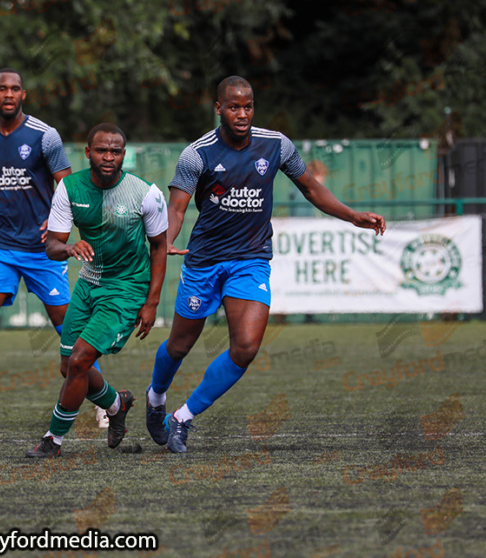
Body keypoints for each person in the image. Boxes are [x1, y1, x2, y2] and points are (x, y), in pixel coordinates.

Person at [146, 75, 386, 453]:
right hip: (204, 262)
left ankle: (182, 418)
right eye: (234, 107)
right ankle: (156, 398)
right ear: (218, 108)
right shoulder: (197, 153)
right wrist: (168, 239)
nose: (242, 114)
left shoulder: (276, 144)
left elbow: (310, 187)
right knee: (178, 346)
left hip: (251, 259)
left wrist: (351, 215)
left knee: (245, 347)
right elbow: (176, 208)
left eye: (248, 106)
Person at [0, 68, 106, 431]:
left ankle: (102, 401)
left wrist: (60, 225)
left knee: (69, 328)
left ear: (23, 95)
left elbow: (67, 187)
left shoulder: (44, 136)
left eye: (15, 89)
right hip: (0, 246)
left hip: (42, 250)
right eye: (2, 88)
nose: (8, 94)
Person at [26, 123, 168, 457]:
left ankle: (53, 440)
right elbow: (52, 246)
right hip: (89, 285)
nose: (108, 157)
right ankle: (116, 405)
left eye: (115, 151)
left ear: (123, 154)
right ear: (88, 152)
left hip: (126, 289)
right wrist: (70, 248)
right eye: (101, 150)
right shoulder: (69, 188)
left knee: (79, 361)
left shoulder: (145, 193)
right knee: (69, 368)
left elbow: (159, 246)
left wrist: (151, 303)